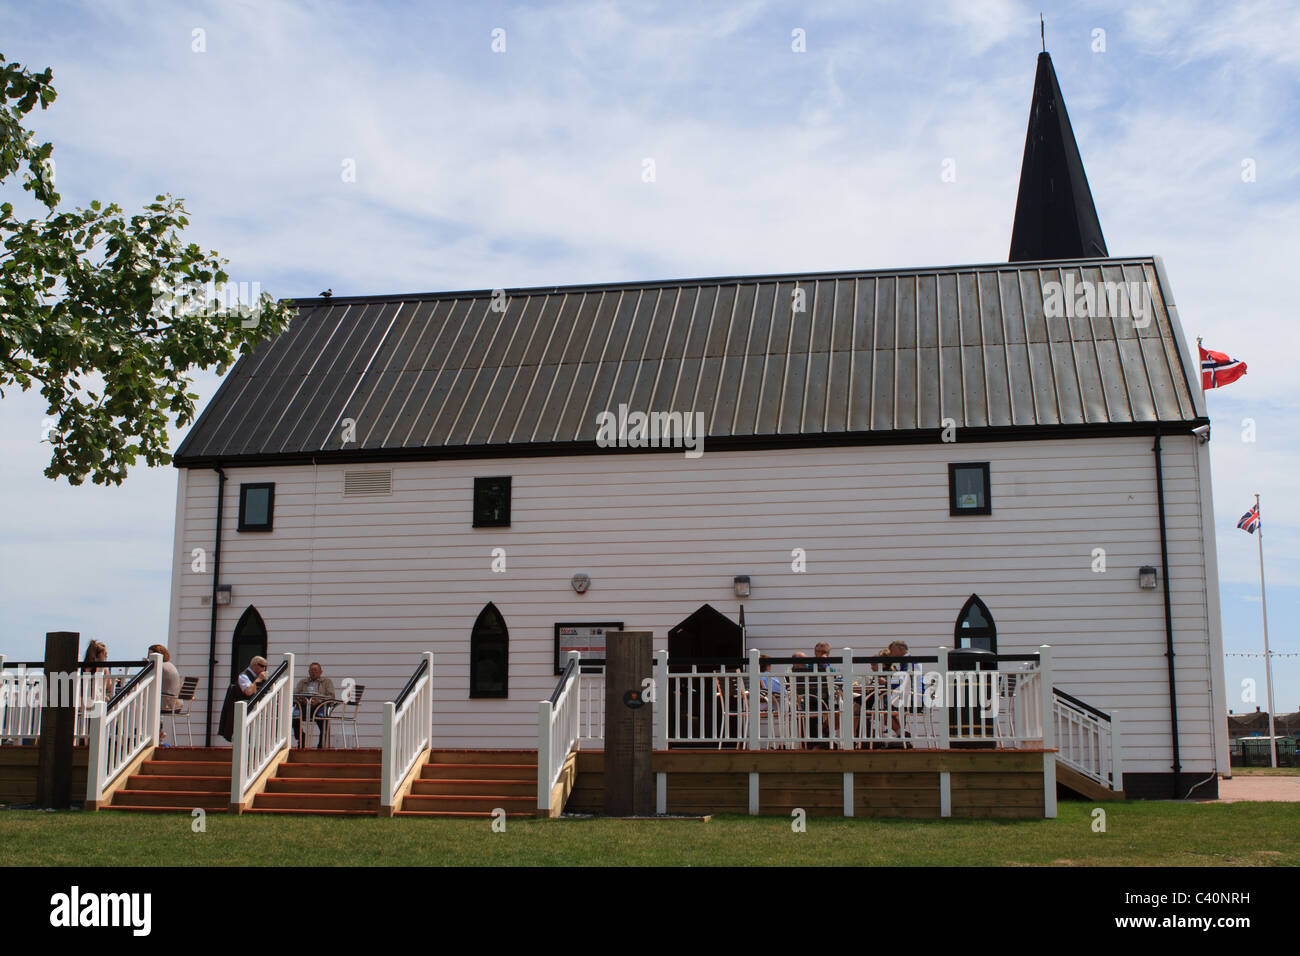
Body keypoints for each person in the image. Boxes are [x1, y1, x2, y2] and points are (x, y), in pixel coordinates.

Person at [218, 656, 267, 742]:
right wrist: (258, 679)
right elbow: (248, 691)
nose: (264, 669)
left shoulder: (256, 677)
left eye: (265, 666)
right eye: (262, 666)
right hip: (242, 711)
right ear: (254, 665)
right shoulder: (244, 676)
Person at [293, 662, 337, 748]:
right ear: (309, 672)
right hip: (304, 706)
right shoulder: (303, 682)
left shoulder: (327, 682)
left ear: (321, 672)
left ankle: (321, 744)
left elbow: (331, 696)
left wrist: (318, 701)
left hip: (320, 706)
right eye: (311, 670)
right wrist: (303, 701)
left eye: (316, 670)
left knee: (323, 719)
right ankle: (301, 739)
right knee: (295, 717)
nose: (313, 672)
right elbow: (295, 695)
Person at [148, 644, 183, 745]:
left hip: (167, 703)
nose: (149, 658)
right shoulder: (170, 666)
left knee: (144, 706)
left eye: (150, 655)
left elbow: (147, 680)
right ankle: (159, 733)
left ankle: (155, 734)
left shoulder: (160, 667)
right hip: (176, 703)